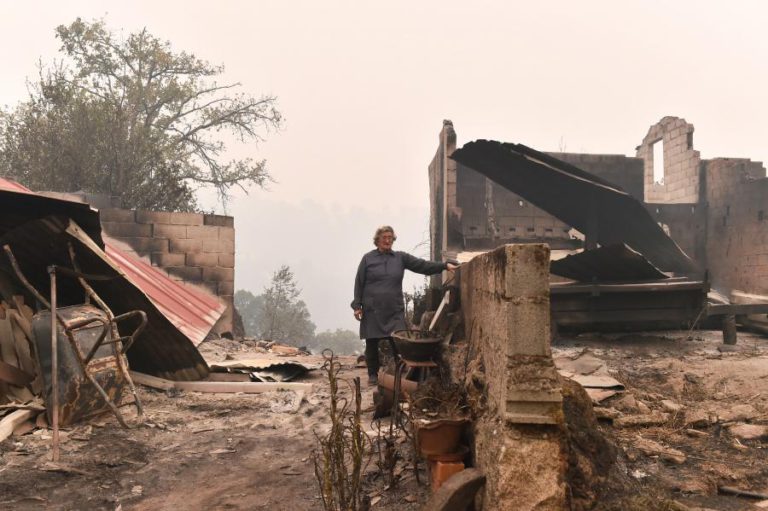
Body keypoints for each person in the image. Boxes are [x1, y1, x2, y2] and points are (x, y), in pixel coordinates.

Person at [351, 225, 458, 385]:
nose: (387, 240)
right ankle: (373, 375)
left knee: (398, 343)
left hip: (394, 309)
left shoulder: (400, 258)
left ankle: (399, 374)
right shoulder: (368, 259)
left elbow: (422, 266)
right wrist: (357, 305)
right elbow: (359, 282)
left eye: (390, 237)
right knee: (372, 342)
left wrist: (444, 266)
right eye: (384, 237)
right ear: (377, 240)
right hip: (372, 308)